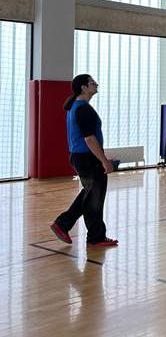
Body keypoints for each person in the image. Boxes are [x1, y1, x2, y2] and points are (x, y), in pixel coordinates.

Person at [49, 74, 118, 247]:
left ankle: (66, 225)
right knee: (94, 196)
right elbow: (89, 139)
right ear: (84, 87)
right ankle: (93, 235)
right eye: (92, 82)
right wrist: (104, 160)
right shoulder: (83, 109)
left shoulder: (77, 107)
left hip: (83, 157)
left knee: (90, 193)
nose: (96, 84)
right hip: (87, 158)